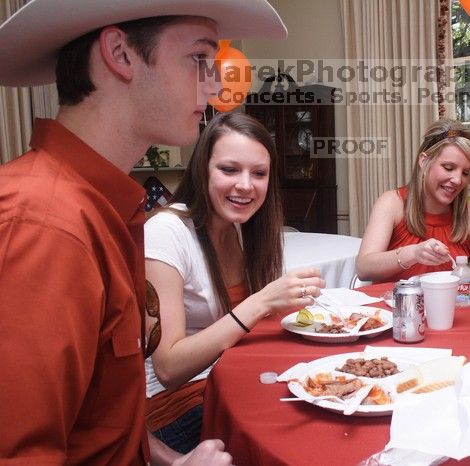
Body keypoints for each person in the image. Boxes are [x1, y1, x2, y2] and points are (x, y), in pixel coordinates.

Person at [0, 1, 287, 464]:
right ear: (120, 53)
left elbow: (103, 420)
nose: (215, 85)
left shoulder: (108, 210)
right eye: (199, 59)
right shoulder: (44, 223)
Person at [144, 112, 324, 453]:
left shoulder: (241, 227)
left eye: (259, 173)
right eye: (229, 170)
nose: (245, 185)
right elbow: (168, 368)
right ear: (202, 169)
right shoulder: (166, 232)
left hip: (227, 382)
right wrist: (261, 302)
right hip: (175, 408)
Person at [356, 119, 470, 283]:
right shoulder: (392, 203)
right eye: (448, 168)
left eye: (465, 172)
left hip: (455, 308)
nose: (458, 180)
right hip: (397, 307)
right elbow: (363, 268)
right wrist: (414, 254)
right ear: (424, 161)